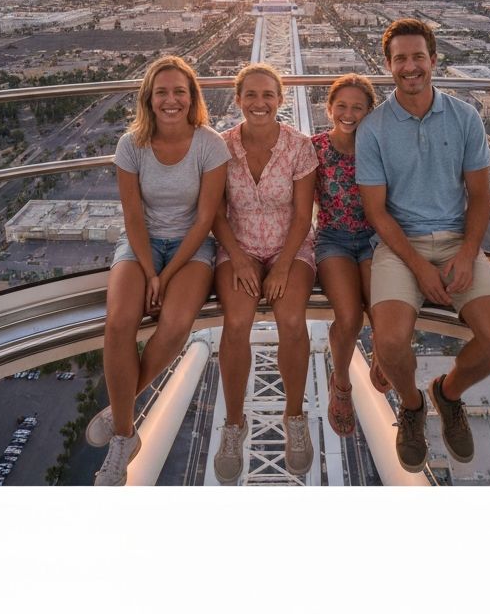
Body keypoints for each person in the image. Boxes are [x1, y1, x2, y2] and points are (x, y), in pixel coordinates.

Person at [356, 18, 490, 474]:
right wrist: (420, 269)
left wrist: (468, 253)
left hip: (456, 241)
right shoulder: (374, 128)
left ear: (433, 60)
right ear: (387, 66)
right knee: (387, 342)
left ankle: (446, 394)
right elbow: (378, 213)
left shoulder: (465, 116)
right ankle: (411, 406)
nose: (411, 67)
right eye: (401, 59)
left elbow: (481, 197)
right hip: (397, 245)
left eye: (418, 57)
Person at [87, 55, 230, 486]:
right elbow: (132, 216)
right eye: (162, 92)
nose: (171, 100)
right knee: (119, 324)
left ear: (192, 98)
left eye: (179, 92)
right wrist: (150, 269)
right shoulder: (131, 145)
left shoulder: (210, 145)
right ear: (148, 98)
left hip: (192, 245)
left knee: (176, 323)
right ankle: (124, 439)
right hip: (140, 244)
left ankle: (120, 412)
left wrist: (165, 277)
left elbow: (206, 219)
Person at [211, 63, 319, 483]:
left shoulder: (298, 146)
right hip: (238, 245)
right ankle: (234, 426)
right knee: (236, 322)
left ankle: (295, 417)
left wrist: (285, 266)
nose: (260, 103)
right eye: (251, 96)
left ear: (280, 99)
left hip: (288, 246)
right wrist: (237, 257)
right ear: (238, 100)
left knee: (291, 320)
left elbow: (302, 216)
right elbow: (216, 212)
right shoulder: (220, 148)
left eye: (268, 95)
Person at [312, 73, 383, 437]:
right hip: (334, 240)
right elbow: (297, 205)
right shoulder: (315, 149)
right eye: (341, 105)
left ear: (370, 111)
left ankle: (383, 356)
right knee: (351, 316)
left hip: (374, 239)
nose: (349, 113)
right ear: (329, 108)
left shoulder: (381, 147)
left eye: (358, 107)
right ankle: (341, 385)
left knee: (384, 311)